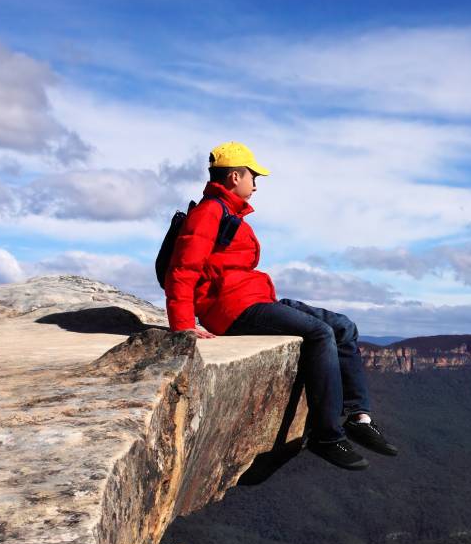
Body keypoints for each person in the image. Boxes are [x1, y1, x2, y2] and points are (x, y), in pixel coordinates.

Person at [164, 141, 398, 470]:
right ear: (234, 177)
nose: (256, 183)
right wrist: (184, 323)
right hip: (232, 309)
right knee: (320, 333)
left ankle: (359, 418)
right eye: (253, 176)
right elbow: (182, 268)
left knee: (344, 326)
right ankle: (326, 435)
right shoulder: (210, 212)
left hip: (255, 298)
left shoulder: (228, 213)